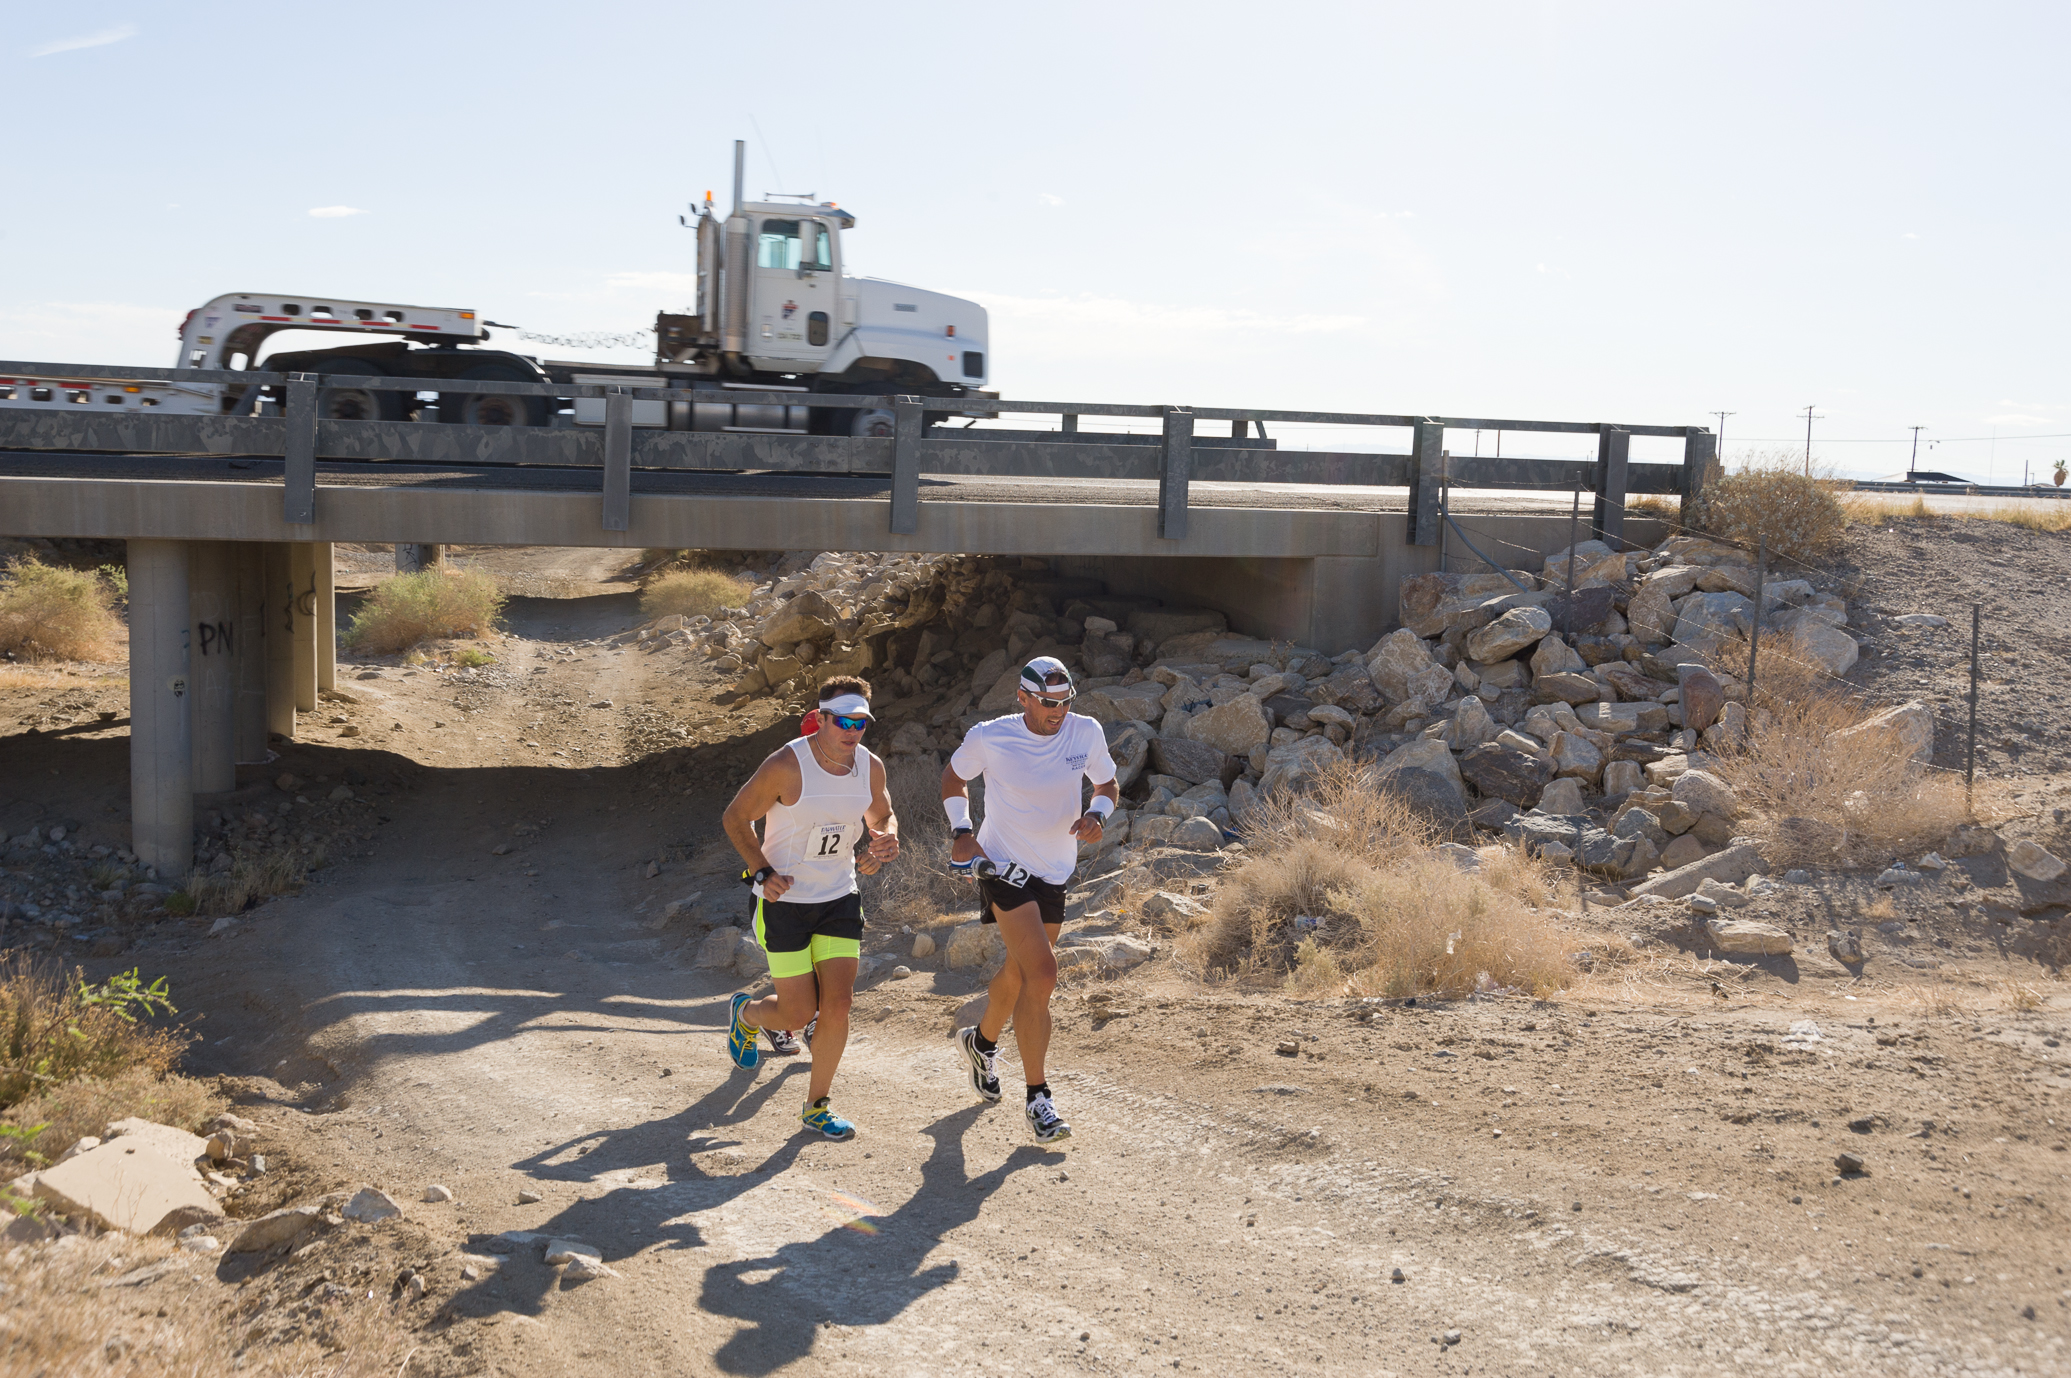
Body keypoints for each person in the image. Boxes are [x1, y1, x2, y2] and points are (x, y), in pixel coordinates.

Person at [943, 656, 1118, 1147]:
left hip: (1054, 870)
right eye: (1047, 703)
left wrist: (1097, 815)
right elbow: (953, 779)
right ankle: (1038, 1098)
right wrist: (961, 831)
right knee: (1042, 973)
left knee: (1021, 971)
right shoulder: (991, 736)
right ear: (1022, 698)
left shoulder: (1085, 732)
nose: (1057, 712)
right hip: (1002, 866)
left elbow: (1107, 785)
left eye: (1065, 702)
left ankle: (980, 1043)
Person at [720, 676, 899, 1140]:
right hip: (785, 903)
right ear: (821, 718)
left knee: (838, 1003)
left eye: (861, 723)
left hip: (839, 896)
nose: (852, 731)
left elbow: (880, 815)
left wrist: (884, 840)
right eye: (842, 721)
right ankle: (748, 1015)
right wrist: (761, 871)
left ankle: (817, 1107)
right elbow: (736, 817)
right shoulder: (786, 765)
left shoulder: (869, 766)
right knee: (798, 1015)